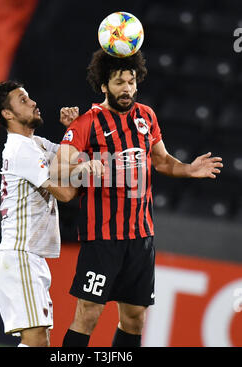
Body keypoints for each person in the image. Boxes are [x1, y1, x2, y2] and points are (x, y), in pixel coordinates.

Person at [53, 49, 223, 347]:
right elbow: (59, 170)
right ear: (104, 85)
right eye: (119, 82)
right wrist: (82, 167)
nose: (127, 88)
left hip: (141, 237)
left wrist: (188, 169)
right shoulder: (86, 123)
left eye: (131, 81)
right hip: (102, 237)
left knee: (135, 318)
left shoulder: (146, 116)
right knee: (89, 313)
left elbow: (162, 161)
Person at [0, 80, 82, 347]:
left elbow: (74, 158)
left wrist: (73, 130)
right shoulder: (21, 149)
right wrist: (84, 173)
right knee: (37, 341)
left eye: (29, 98)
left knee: (38, 341)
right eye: (23, 100)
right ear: (7, 114)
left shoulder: (36, 144)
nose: (33, 103)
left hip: (29, 257)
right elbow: (65, 193)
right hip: (19, 256)